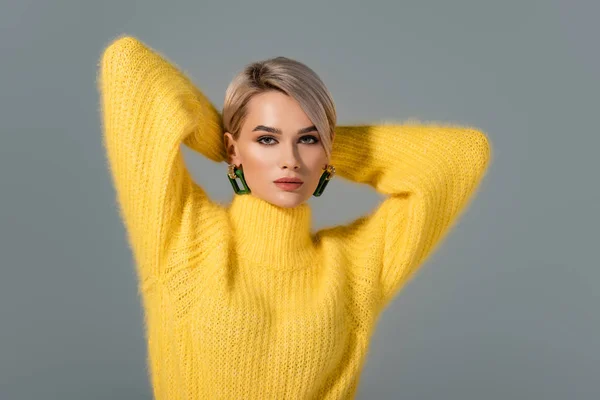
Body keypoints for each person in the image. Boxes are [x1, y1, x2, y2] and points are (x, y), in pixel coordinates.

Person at [97, 35, 492, 400]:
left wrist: (330, 146)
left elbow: (461, 157)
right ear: (234, 148)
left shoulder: (352, 267)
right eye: (267, 139)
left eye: (308, 139)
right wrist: (219, 137)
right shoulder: (185, 239)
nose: (290, 160)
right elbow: (128, 67)